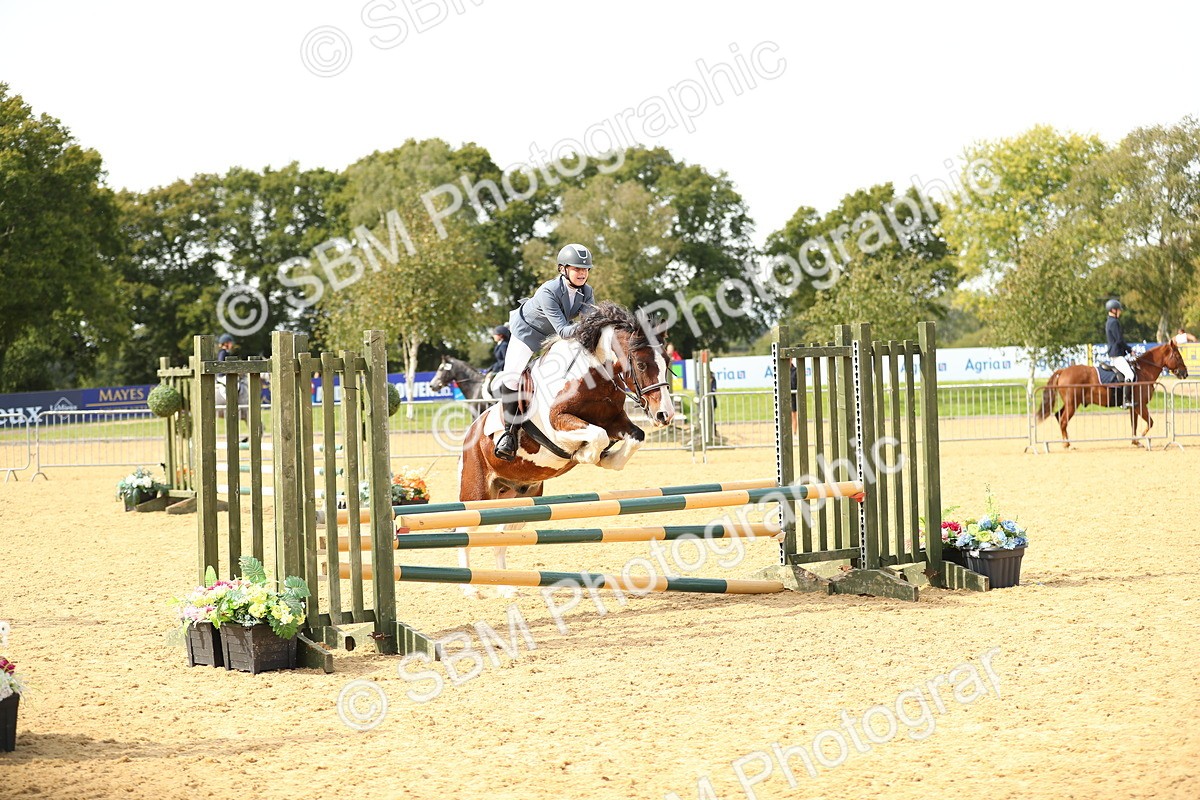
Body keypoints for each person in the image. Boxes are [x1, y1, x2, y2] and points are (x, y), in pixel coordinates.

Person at [493, 243, 597, 460]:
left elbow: (589, 324)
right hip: (528, 334)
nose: (582, 273)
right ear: (563, 269)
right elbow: (564, 329)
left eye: (585, 269)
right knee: (512, 378)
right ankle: (508, 435)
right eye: (577, 268)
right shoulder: (548, 291)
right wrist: (595, 324)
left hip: (554, 336)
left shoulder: (587, 292)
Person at [1104, 299, 1136, 408]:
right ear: (1113, 310)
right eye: (1118, 310)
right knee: (1130, 374)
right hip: (1117, 354)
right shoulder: (1114, 322)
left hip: (1115, 354)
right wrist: (1129, 350)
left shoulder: (1109, 321)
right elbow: (1119, 340)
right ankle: (1126, 401)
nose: (1120, 312)